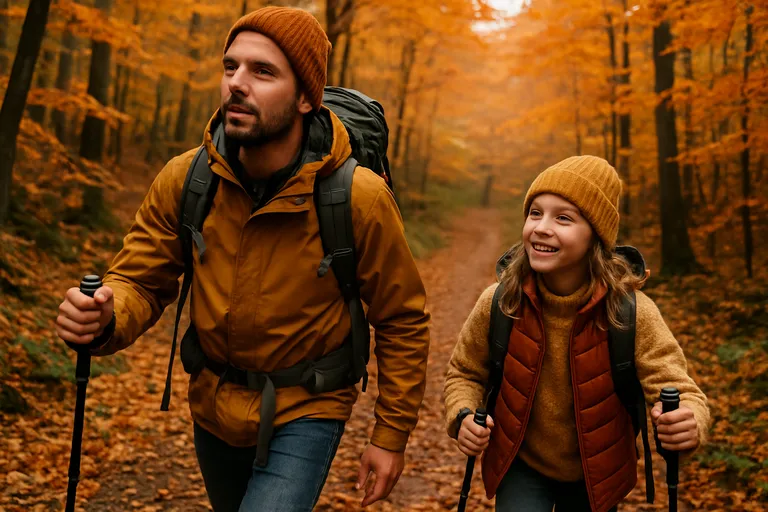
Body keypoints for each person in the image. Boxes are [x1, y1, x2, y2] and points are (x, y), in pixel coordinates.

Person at [55, 7, 430, 511]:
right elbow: (140, 280)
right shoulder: (188, 178)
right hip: (213, 403)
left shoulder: (357, 198)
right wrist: (106, 314)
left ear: (304, 98)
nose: (237, 83)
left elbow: (401, 317)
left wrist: (390, 435)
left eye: (263, 71)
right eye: (231, 66)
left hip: (308, 406)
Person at [443, 155, 709, 511]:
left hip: (597, 473)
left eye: (563, 218)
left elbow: (682, 390)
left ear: (595, 236)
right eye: (535, 213)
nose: (541, 227)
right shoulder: (500, 301)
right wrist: (462, 415)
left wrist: (689, 421)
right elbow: (464, 372)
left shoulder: (631, 313)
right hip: (521, 464)